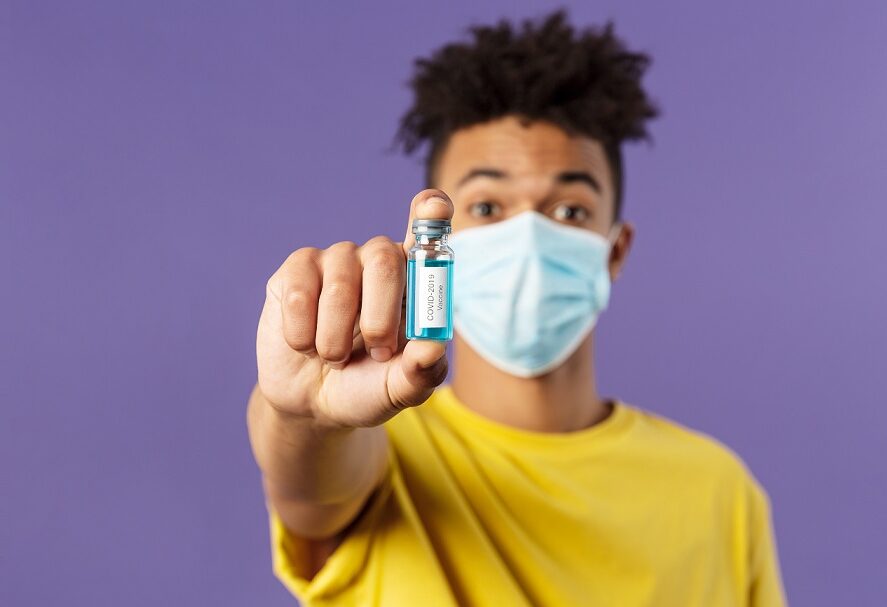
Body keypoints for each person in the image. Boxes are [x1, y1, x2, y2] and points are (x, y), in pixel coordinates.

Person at [247, 10, 786, 606]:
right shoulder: (384, 456)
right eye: (485, 208)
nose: (527, 235)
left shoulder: (718, 491)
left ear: (615, 251)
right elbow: (313, 491)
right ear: (440, 247)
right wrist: (306, 419)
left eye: (570, 211)